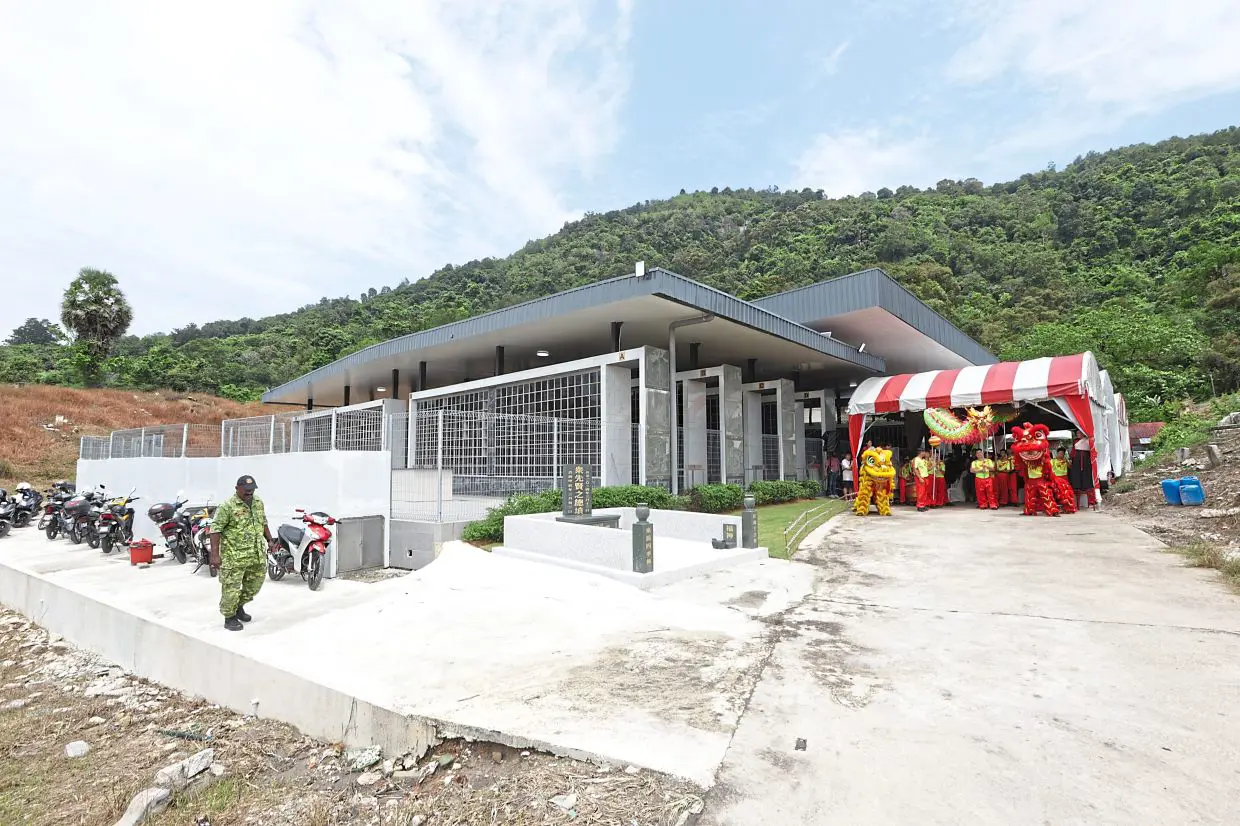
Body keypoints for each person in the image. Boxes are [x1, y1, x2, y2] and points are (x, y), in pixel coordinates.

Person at [210, 475, 276, 632]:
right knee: (231, 588)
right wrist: (215, 554)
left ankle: (238, 606)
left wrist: (270, 540)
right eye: (246, 490)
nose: (249, 493)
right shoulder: (227, 506)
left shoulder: (258, 502)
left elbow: (263, 522)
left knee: (255, 585)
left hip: (256, 553)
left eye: (252, 490)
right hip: (233, 556)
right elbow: (216, 529)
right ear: (237, 488)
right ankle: (229, 617)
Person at [1068, 431, 1097, 511]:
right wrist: (1071, 459)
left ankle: (1087, 488)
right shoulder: (1076, 441)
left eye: (1079, 433)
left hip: (1086, 459)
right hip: (1077, 460)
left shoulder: (1089, 440)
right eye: (1077, 434)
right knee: (1076, 475)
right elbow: (1073, 451)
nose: (1078, 435)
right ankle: (1077, 487)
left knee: (1086, 475)